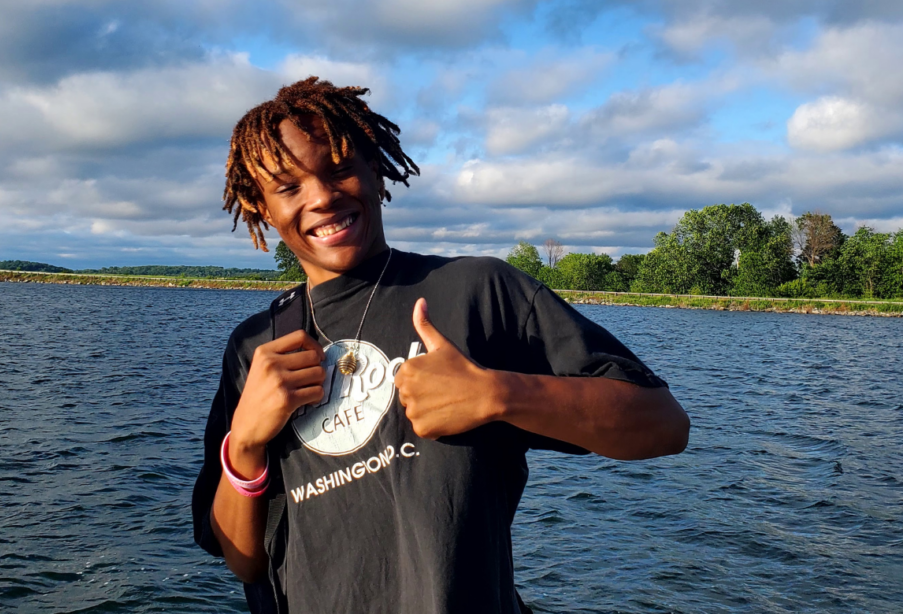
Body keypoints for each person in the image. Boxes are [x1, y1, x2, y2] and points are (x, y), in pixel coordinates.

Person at [192, 77, 690, 614]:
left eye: (339, 169)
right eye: (288, 187)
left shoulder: (477, 292)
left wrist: (499, 394)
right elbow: (244, 562)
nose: (321, 197)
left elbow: (663, 425)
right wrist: (243, 445)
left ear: (375, 169)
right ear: (260, 206)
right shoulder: (255, 347)